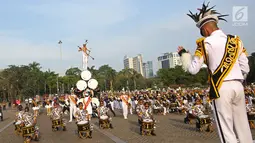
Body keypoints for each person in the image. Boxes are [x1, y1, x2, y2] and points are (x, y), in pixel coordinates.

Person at [178, 2, 252, 143]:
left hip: (221, 88)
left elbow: (193, 69)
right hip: (238, 86)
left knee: (226, 129)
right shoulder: (235, 41)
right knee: (243, 126)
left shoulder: (205, 43)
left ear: (205, 29)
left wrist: (183, 55)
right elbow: (246, 68)